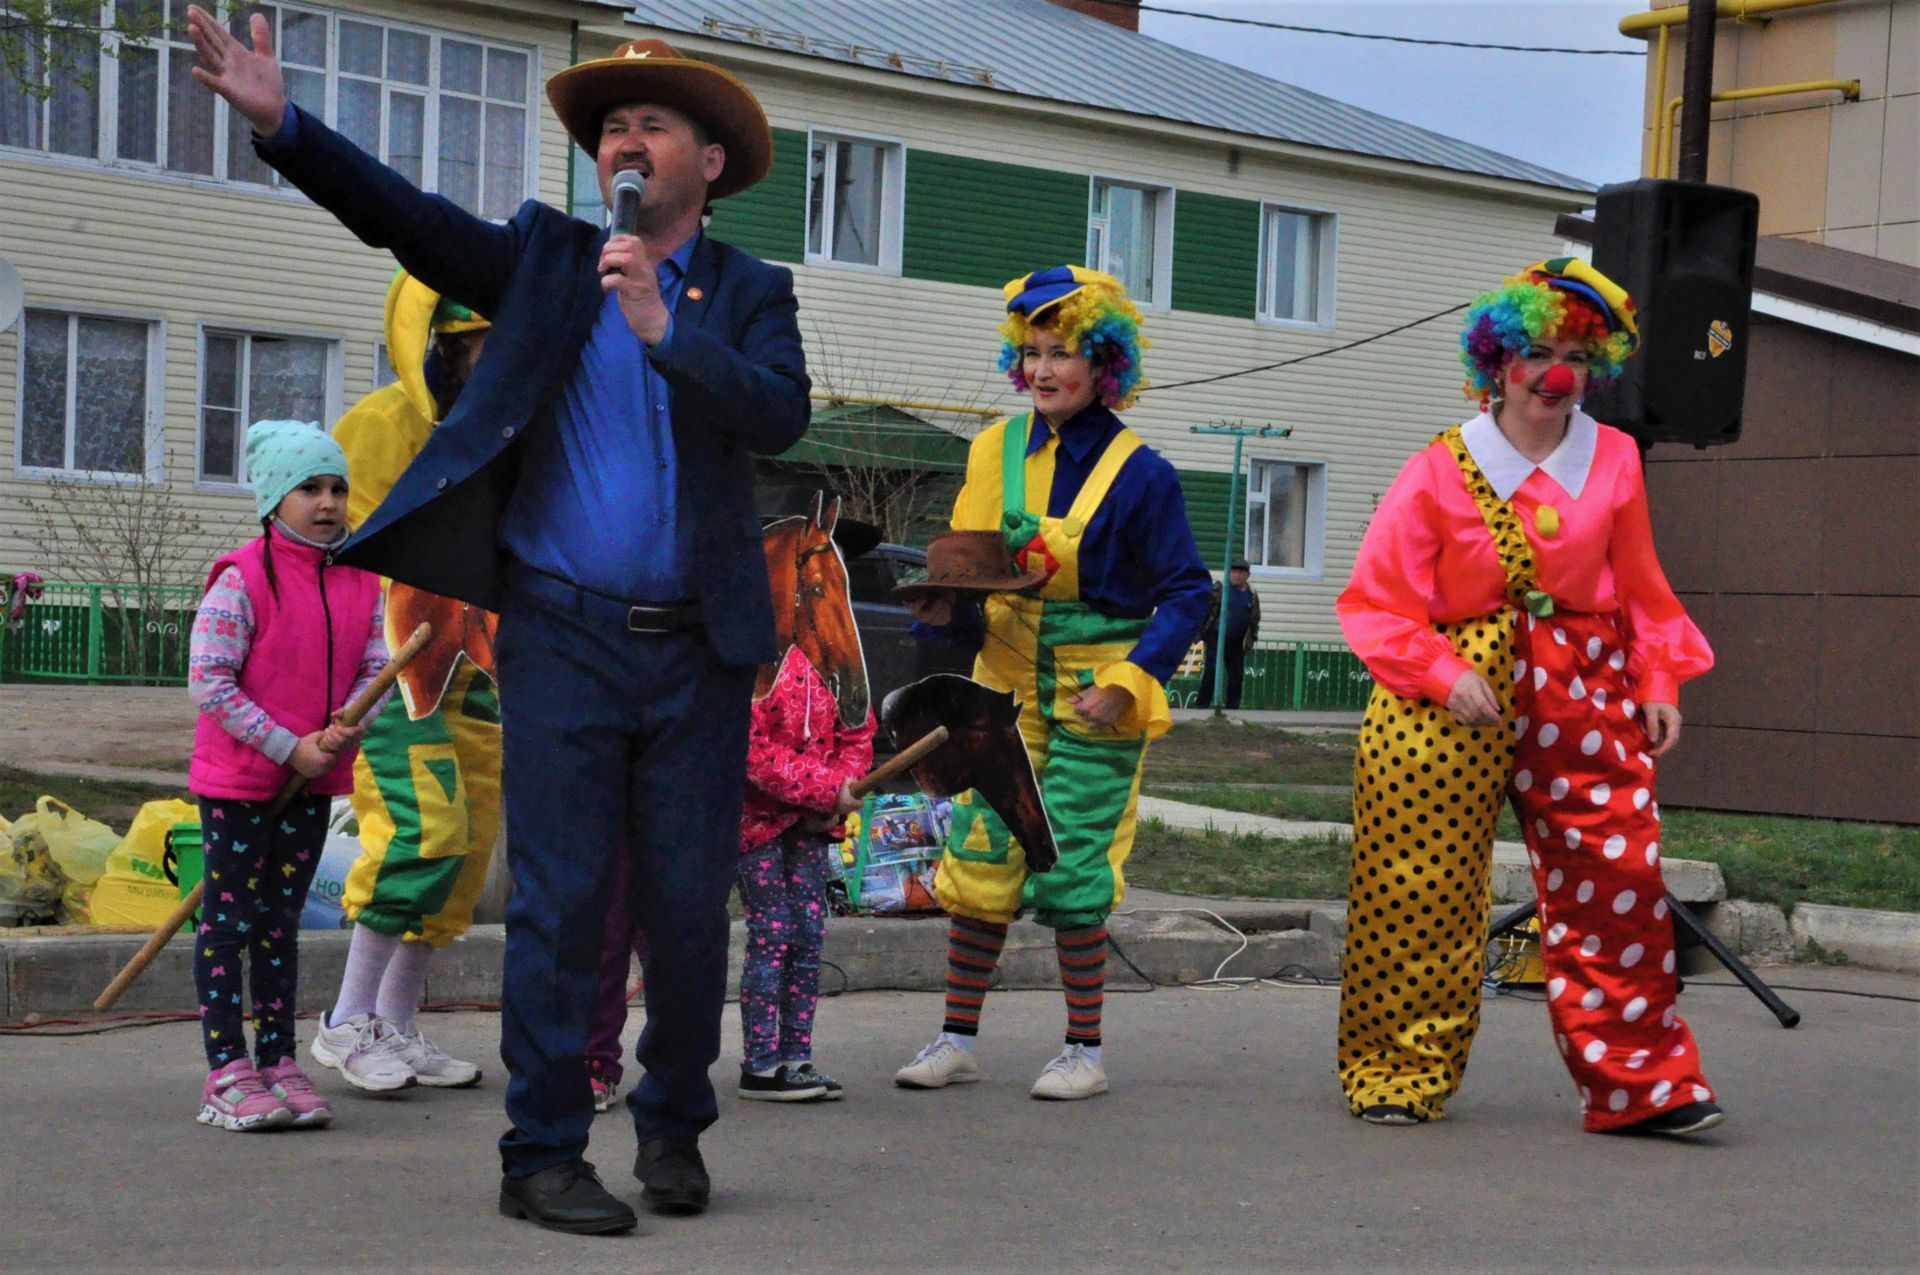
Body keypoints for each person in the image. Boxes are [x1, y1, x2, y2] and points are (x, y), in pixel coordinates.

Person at [187, 12, 809, 1234]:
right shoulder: (545, 259)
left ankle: (674, 1121)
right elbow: (406, 218)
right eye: (610, 128)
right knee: (562, 903)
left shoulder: (748, 294)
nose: (625, 143)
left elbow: (779, 415)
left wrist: (663, 333)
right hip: (563, 637)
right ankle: (541, 1155)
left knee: (687, 910)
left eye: (652, 126)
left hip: (697, 648)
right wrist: (282, 125)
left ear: (710, 162)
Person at [1335, 258, 1724, 1136]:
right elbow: (1377, 600)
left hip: (1585, 680)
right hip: (1449, 690)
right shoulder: (1438, 469)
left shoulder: (1615, 460)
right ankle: (1398, 1068)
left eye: (1578, 358)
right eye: (1538, 352)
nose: (1557, 376)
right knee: (1419, 881)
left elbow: (1641, 588)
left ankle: (1643, 1084)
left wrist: (1657, 678)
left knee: (1616, 875)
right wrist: (1446, 671)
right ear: (1497, 363)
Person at [896, 266, 1211, 1100]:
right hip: (1000, 683)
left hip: (1092, 693)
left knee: (1068, 865)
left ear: (1104, 364)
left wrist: (1131, 677)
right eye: (1031, 351)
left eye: (1062, 351)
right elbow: (972, 570)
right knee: (980, 854)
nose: (1042, 369)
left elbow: (1188, 592)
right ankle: (956, 1037)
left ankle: (1084, 1050)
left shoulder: (1144, 474)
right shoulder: (990, 450)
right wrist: (945, 610)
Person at [308, 272, 498, 1094]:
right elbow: (336, 547)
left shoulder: (510, 429)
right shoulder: (380, 426)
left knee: (466, 842)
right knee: (422, 825)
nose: (500, 361)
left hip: (480, 660)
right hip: (393, 666)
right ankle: (347, 1018)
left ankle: (398, 1021)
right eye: (485, 345)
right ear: (449, 349)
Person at [185, 418, 391, 1132]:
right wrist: (287, 746)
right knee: (229, 923)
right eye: (311, 488)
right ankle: (227, 1069)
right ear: (275, 498)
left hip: (313, 781)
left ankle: (277, 1059)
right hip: (242, 783)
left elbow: (377, 663)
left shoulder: (361, 576)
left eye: (337, 487)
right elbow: (209, 680)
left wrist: (350, 723)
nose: (329, 501)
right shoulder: (242, 577)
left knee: (280, 923)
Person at [1197, 560, 1260, 710]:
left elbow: (1255, 617)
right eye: (1234, 571)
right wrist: (1201, 632)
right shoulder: (1220, 589)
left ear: (1248, 575)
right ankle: (1201, 706)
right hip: (1216, 639)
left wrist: (1252, 637)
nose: (1237, 575)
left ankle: (1233, 708)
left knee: (1236, 676)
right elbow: (1206, 610)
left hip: (1237, 643)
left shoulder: (1251, 595)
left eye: (1241, 572)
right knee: (1211, 671)